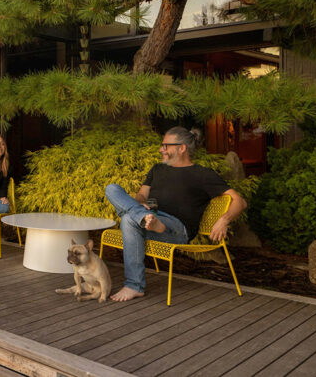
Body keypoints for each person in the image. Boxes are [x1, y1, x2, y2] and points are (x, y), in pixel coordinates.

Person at [104, 126, 247, 302]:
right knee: (112, 189)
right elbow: (141, 195)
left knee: (127, 218)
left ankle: (134, 285)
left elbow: (239, 201)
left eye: (165, 146)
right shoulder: (157, 170)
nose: (160, 149)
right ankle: (142, 217)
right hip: (150, 220)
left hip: (177, 230)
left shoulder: (202, 174)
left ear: (182, 148)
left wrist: (224, 221)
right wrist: (141, 204)